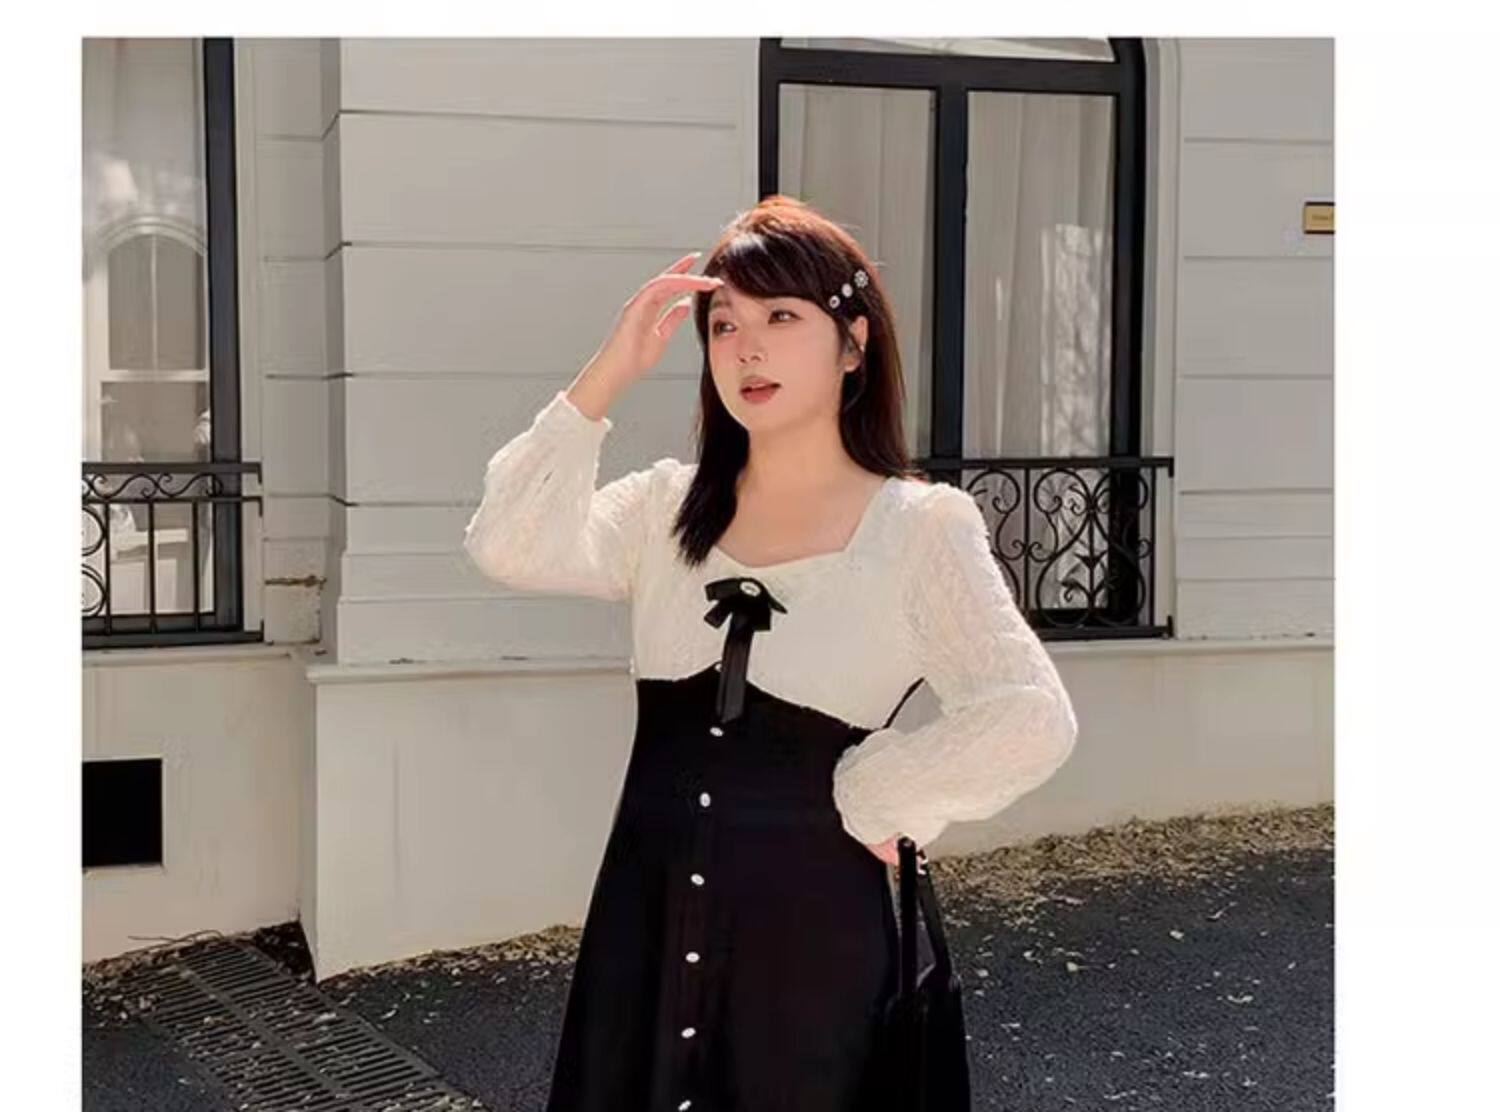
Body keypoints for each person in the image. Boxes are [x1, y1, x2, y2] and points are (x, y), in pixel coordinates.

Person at [462, 195, 1079, 1111]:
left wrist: (879, 792)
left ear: (854, 343)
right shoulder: (666, 511)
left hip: (811, 959)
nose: (746, 349)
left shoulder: (917, 529)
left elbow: (1029, 715)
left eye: (781, 317)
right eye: (723, 324)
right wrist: (610, 372)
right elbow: (506, 543)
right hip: (644, 934)